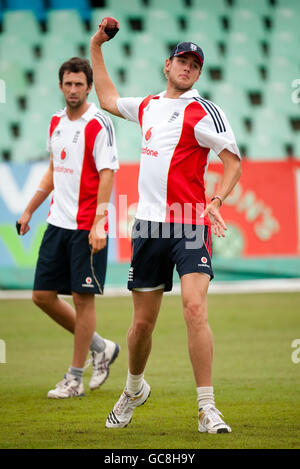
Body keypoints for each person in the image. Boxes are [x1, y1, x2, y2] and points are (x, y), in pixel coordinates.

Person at [90, 21, 242, 433]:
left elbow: (233, 162)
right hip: (149, 228)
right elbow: (105, 97)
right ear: (167, 64)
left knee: (195, 308)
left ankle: (207, 408)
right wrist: (95, 46)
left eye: (195, 63)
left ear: (199, 72)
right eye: (182, 60)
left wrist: (216, 201)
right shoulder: (149, 106)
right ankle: (133, 389)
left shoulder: (205, 110)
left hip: (191, 224)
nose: (188, 67)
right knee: (141, 325)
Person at [17, 57, 120, 399]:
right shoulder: (55, 122)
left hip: (86, 226)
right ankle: (101, 347)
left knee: (81, 300)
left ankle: (74, 378)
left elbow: (108, 173)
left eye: (79, 84)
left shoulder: (98, 123)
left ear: (89, 87)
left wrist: (100, 222)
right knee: (42, 296)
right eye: (68, 83)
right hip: (56, 224)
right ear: (60, 86)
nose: (73, 89)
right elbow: (52, 169)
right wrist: (30, 208)